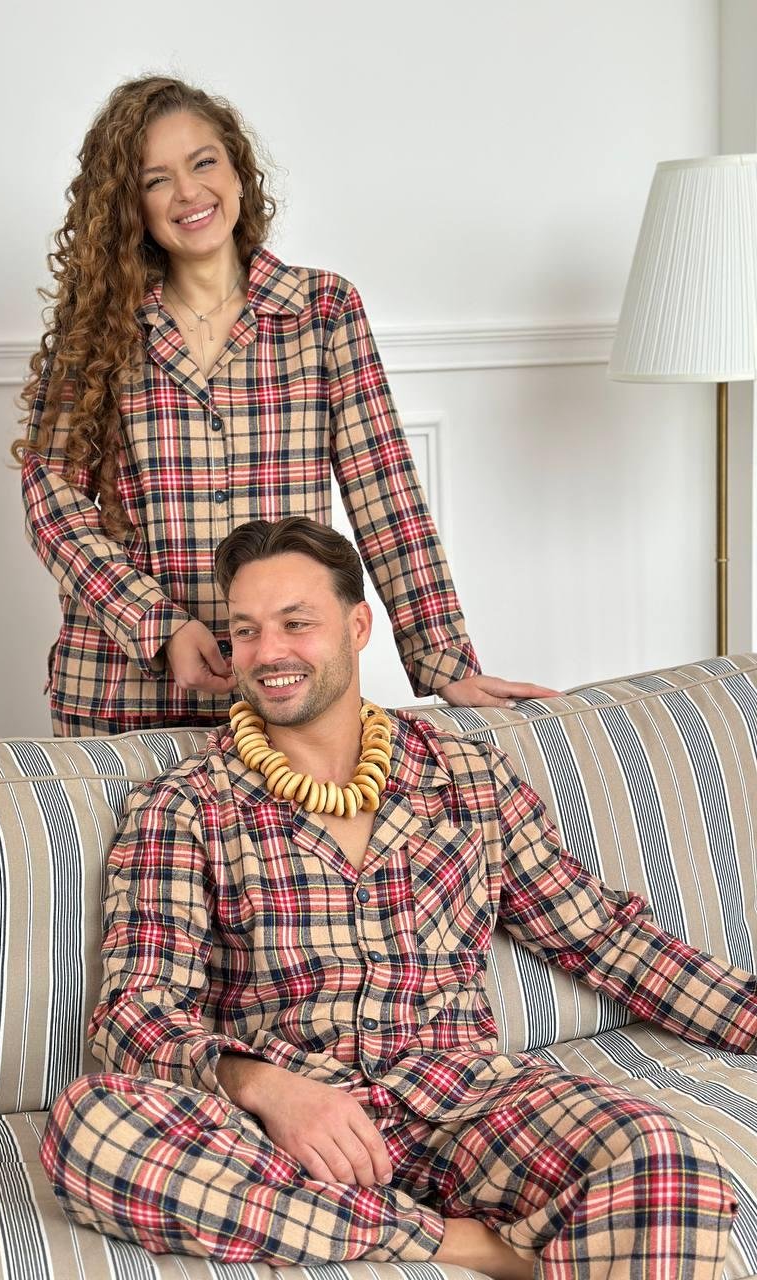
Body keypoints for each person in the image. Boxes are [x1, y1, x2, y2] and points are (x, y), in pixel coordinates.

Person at [40, 516, 755, 1279]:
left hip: (467, 1104)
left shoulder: (469, 776)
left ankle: (424, 1234)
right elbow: (135, 1013)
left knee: (667, 1162)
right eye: (245, 630)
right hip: (289, 1132)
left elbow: (605, 939)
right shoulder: (185, 805)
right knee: (92, 1127)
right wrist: (268, 1088)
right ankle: (471, 1247)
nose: (268, 651)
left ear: (358, 627)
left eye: (296, 623)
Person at [13, 75, 555, 735]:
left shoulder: (323, 311)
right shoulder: (98, 329)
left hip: (280, 688)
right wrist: (158, 625)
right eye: (156, 180)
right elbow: (52, 505)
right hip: (121, 693)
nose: (188, 192)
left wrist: (443, 660)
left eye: (203, 163)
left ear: (239, 173)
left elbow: (385, 495)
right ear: (132, 206)